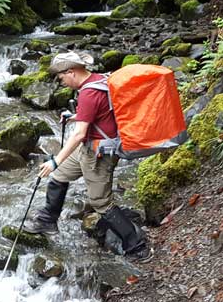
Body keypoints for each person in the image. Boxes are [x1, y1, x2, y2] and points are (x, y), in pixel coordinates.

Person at [22, 51, 151, 261]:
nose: (61, 82)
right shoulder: (100, 79)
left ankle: (137, 246)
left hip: (99, 154)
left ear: (71, 72)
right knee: (60, 175)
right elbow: (101, 113)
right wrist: (76, 117)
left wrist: (55, 160)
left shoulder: (89, 94)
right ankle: (47, 220)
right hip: (88, 147)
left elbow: (80, 134)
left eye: (61, 77)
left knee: (100, 202)